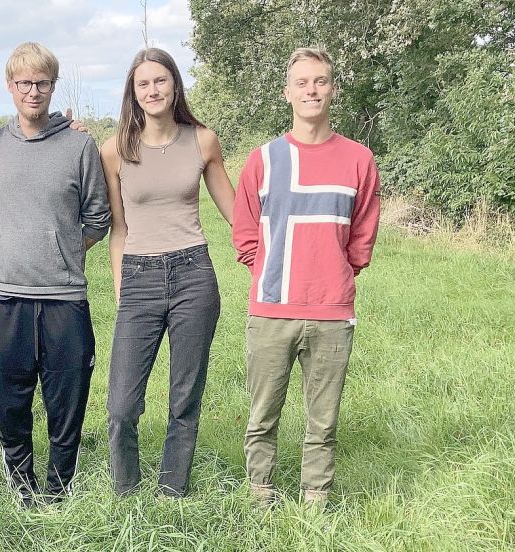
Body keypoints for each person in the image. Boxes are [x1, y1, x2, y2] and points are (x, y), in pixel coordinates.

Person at [232, 47, 381, 510]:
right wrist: (270, 271)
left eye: (320, 81)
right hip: (272, 310)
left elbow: (362, 236)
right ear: (287, 93)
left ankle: (316, 497)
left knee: (324, 420)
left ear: (332, 89)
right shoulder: (264, 160)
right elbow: (244, 232)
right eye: (302, 83)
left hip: (331, 311)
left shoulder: (359, 159)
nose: (311, 90)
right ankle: (261, 493)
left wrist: (334, 273)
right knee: (262, 416)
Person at [0, 42, 111, 507]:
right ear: (10, 86)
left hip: (64, 297)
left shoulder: (80, 144)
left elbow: (98, 218)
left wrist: (59, 251)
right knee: (10, 400)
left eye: (42, 83)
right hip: (3, 296)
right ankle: (21, 485)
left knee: (66, 399)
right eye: (24, 83)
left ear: (53, 86)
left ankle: (59, 487)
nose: (33, 91)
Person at [101, 48, 235, 498]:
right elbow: (117, 230)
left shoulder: (202, 140)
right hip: (138, 275)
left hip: (193, 274)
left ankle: (172, 489)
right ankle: (126, 490)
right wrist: (122, 288)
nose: (153, 90)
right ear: (133, 92)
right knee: (121, 404)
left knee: (185, 395)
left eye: (160, 81)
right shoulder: (115, 149)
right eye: (144, 83)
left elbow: (238, 213)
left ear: (174, 85)